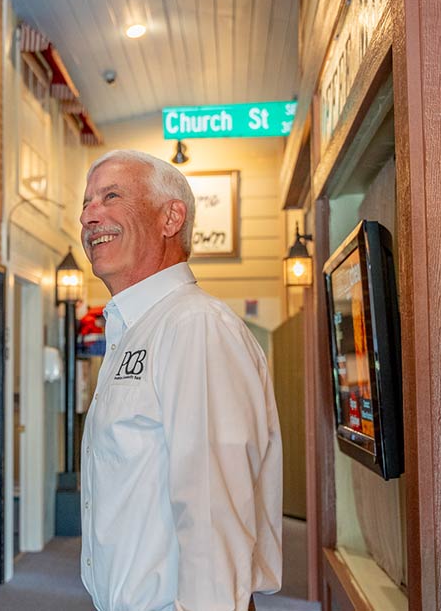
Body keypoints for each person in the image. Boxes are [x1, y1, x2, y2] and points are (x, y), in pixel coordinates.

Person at [78, 150, 282, 611]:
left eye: (112, 196)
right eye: (86, 203)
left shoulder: (195, 327)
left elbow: (213, 510)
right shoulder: (134, 330)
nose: (91, 215)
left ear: (171, 217)